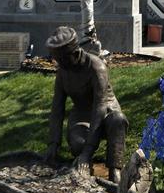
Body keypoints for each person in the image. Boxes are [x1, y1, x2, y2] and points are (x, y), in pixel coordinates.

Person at [44, 26, 128, 182]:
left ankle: (115, 169)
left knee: (118, 120)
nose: (59, 63)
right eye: (57, 59)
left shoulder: (97, 67)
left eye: (62, 59)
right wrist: (53, 143)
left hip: (107, 111)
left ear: (75, 54)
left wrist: (88, 151)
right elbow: (57, 108)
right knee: (77, 144)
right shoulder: (63, 72)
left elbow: (100, 106)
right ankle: (85, 166)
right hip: (82, 115)